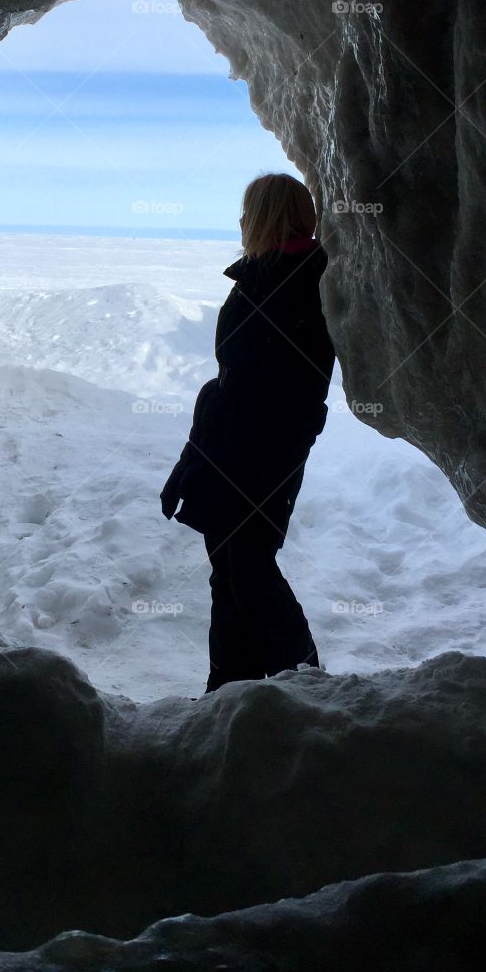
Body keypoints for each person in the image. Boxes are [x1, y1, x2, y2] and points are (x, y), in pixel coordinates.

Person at [160, 173, 336, 692]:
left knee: (249, 565)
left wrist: (265, 456)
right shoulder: (265, 276)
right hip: (231, 448)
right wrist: (193, 460)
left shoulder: (303, 281)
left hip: (264, 452)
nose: (240, 222)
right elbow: (233, 384)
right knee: (229, 568)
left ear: (266, 217)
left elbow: (294, 389)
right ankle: (231, 687)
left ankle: (305, 683)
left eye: (247, 212)